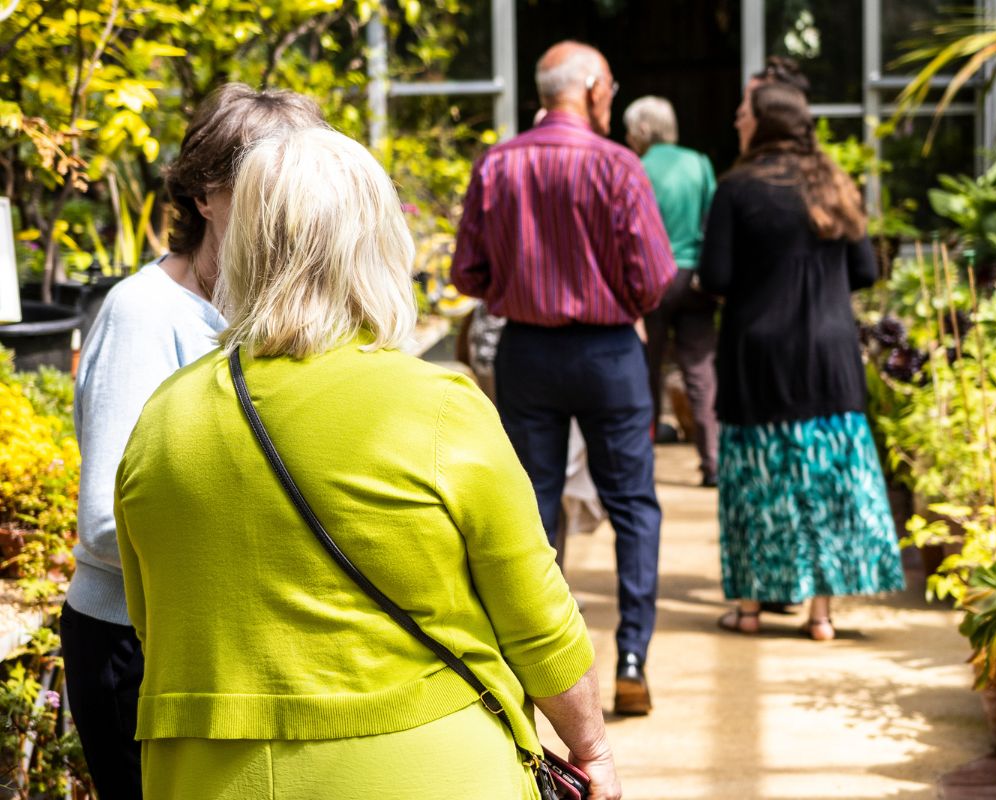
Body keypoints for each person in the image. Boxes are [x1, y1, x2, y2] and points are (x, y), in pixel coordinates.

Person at [114, 127, 621, 800]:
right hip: (419, 768)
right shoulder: (435, 408)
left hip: (203, 776)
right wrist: (593, 750)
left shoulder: (162, 419)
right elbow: (537, 622)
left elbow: (154, 622)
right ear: (378, 247)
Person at [62, 83, 326, 798]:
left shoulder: (277, 312)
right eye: (264, 187)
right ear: (205, 196)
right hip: (138, 648)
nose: (289, 206)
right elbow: (105, 524)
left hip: (226, 643)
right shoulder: (145, 315)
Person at [450, 40, 675, 716]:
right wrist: (619, 301)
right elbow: (655, 278)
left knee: (532, 508)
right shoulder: (618, 166)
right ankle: (632, 656)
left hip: (529, 354)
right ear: (596, 88)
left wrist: (517, 287)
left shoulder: (498, 164)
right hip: (609, 354)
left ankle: (535, 662)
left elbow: (468, 272)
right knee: (633, 504)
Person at [699, 82, 905, 641]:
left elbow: (714, 277)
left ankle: (747, 608)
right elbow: (864, 270)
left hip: (757, 351)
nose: (737, 122)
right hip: (828, 350)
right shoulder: (832, 181)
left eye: (744, 115)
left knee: (754, 478)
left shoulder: (736, 188)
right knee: (827, 477)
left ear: (763, 124)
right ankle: (820, 615)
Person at [624, 95, 719, 487]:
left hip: (650, 280)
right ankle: (712, 461)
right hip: (694, 279)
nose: (628, 138)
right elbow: (713, 223)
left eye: (630, 130)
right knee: (700, 370)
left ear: (643, 130)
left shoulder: (633, 168)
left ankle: (641, 466)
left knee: (644, 369)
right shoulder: (698, 163)